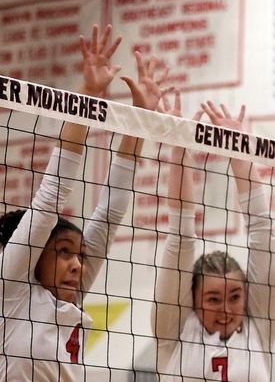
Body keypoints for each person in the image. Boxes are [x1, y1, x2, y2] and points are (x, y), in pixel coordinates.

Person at [0, 24, 167, 380]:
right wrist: (88, 94)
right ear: (32, 253)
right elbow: (49, 199)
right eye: (63, 252)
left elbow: (110, 212)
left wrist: (141, 123)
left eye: (78, 255)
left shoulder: (69, 299)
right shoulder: (10, 288)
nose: (77, 265)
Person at [152, 98, 275, 381]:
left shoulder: (257, 328)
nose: (226, 309)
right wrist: (180, 147)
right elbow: (180, 236)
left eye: (235, 297)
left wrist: (239, 150)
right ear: (193, 301)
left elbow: (263, 234)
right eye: (212, 299)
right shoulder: (175, 331)